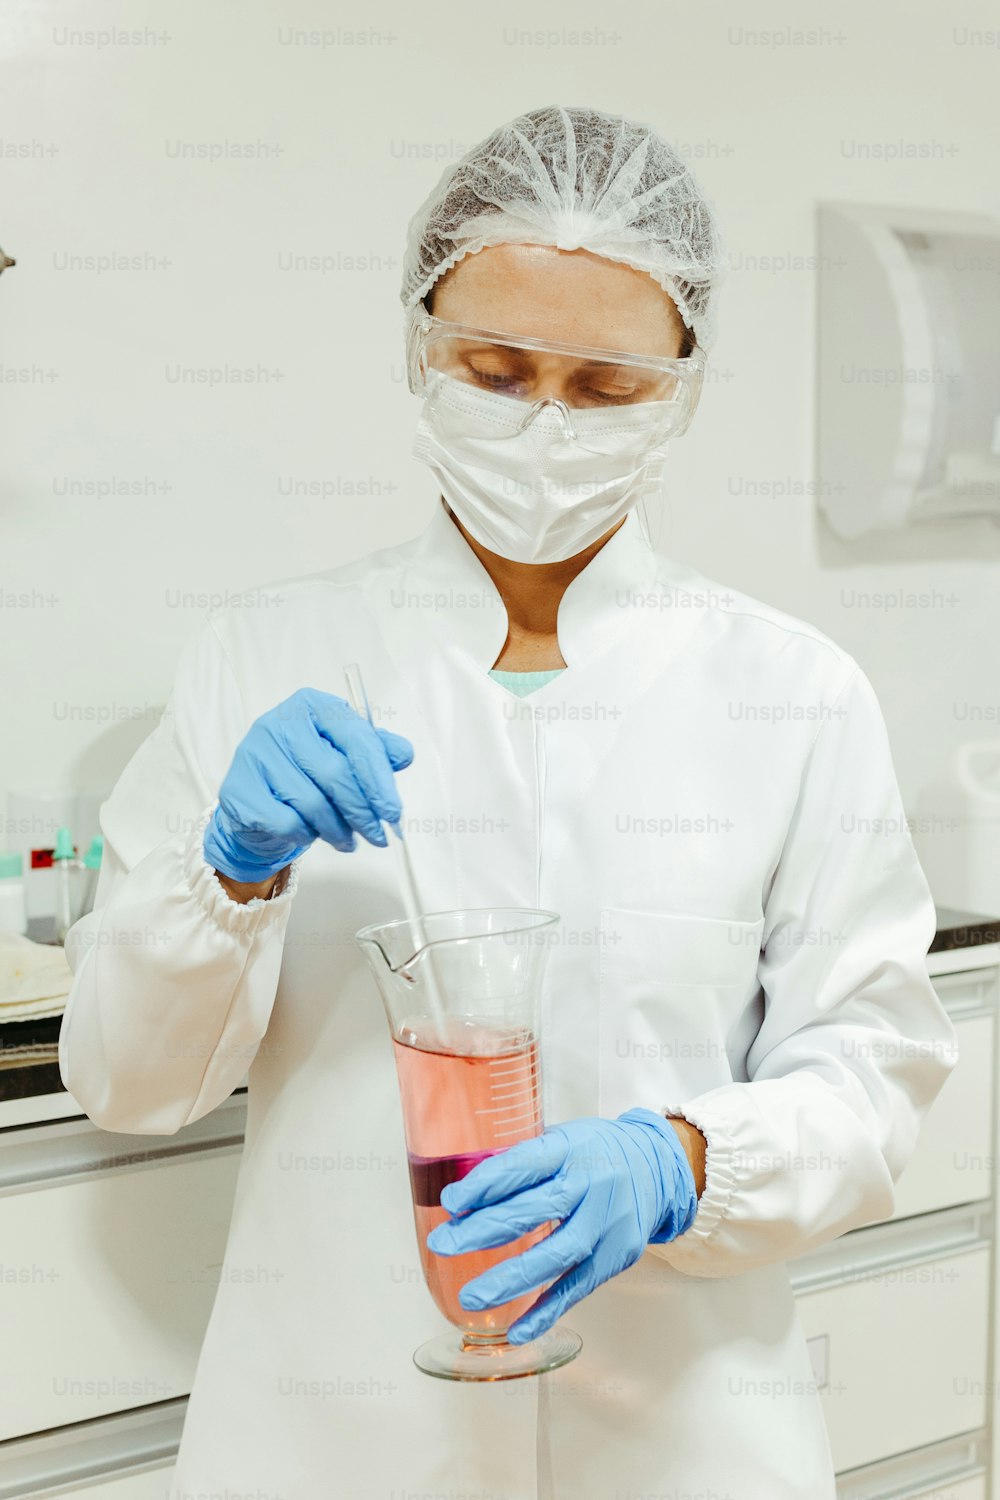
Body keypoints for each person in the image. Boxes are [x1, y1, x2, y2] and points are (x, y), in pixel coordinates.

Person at [59, 105, 958, 1499]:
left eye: (604, 388)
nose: (544, 422)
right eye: (495, 366)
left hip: (680, 1436)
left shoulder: (794, 692)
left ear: (686, 383)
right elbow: (129, 1082)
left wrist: (682, 1159)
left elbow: (876, 1079)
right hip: (338, 1438)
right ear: (420, 352)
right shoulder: (264, 656)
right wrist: (225, 876)